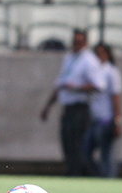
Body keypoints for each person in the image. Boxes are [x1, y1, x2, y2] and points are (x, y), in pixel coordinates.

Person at [40, 29, 104, 177]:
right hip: (68, 108)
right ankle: (72, 172)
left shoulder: (89, 60)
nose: (76, 45)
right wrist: (48, 106)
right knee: (67, 144)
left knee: (78, 146)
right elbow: (60, 84)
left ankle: (83, 175)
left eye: (80, 42)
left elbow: (98, 85)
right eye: (75, 42)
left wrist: (76, 88)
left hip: (80, 108)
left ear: (85, 43)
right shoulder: (69, 58)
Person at [83, 43, 122, 178]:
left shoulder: (111, 71)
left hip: (106, 120)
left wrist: (117, 121)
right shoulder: (96, 71)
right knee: (86, 152)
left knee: (106, 154)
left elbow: (116, 97)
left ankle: (109, 179)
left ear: (108, 54)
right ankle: (100, 177)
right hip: (95, 119)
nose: (98, 57)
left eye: (101, 53)